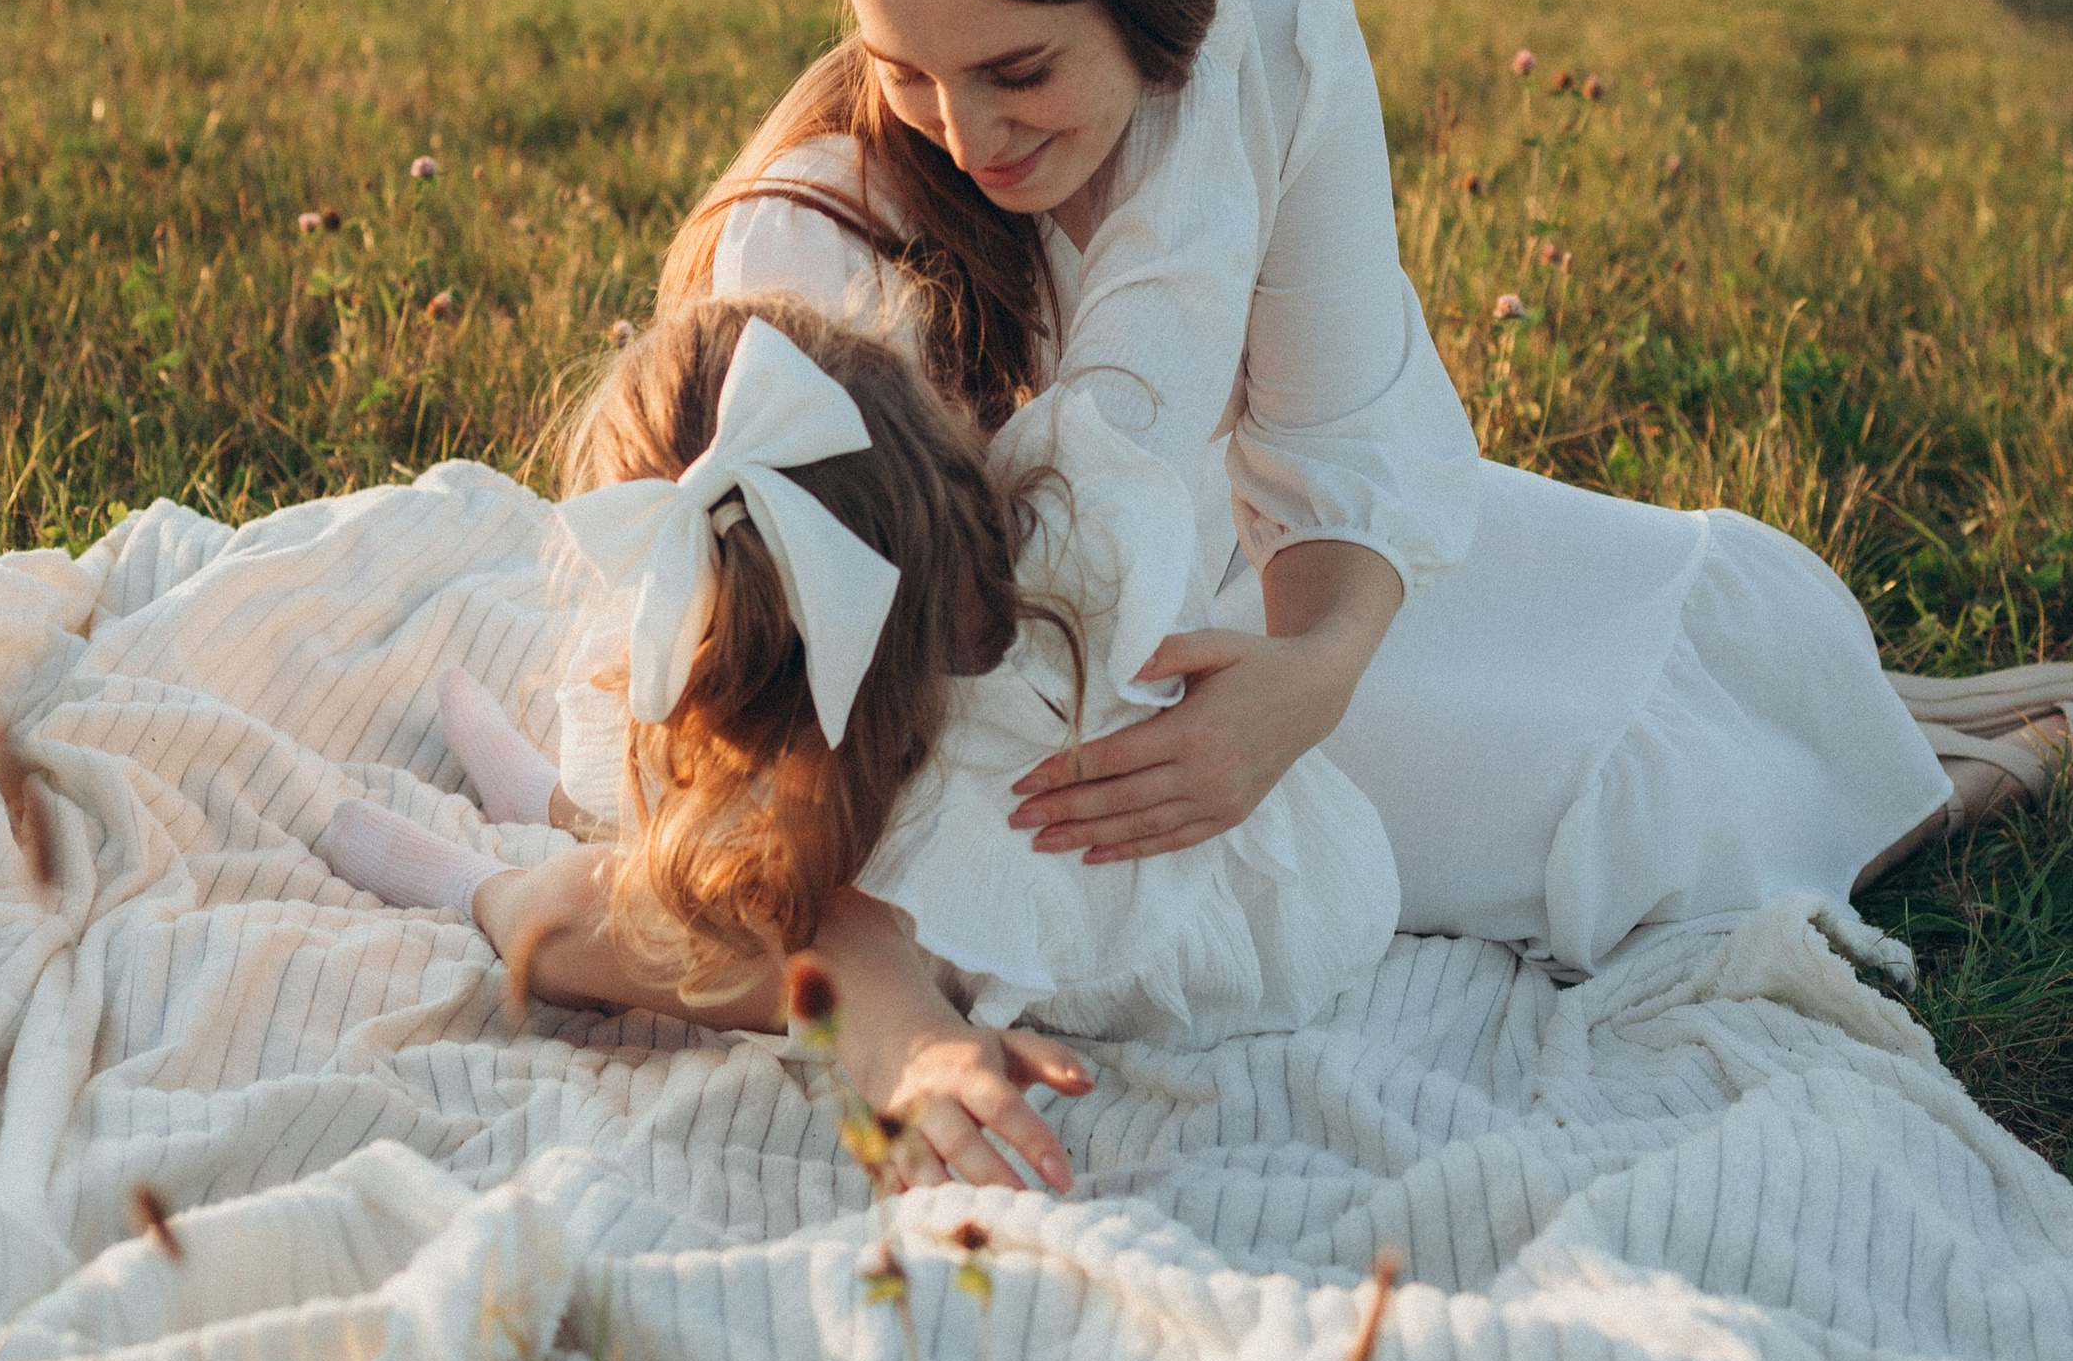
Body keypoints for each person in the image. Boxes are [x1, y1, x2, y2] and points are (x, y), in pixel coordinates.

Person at [667, 0, 2073, 972]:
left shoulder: (1275, 35)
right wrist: (1246, 729)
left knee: (1691, 617)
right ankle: (1926, 780)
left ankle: (1864, 724)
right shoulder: (816, 239)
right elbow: (889, 686)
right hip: (1032, 708)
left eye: (1019, 71)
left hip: (1253, 571)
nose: (966, 130)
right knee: (1640, 816)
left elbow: (1335, 436)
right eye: (902, 70)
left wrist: (1314, 676)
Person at [325, 298, 1400, 1195]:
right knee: (739, 870)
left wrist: (923, 1050)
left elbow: (861, 961)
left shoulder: (946, 833)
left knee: (650, 930)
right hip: (1325, 838)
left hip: (1248, 919)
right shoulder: (1041, 539)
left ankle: (490, 888)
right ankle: (566, 800)